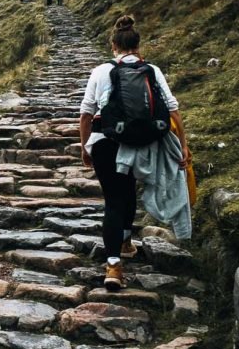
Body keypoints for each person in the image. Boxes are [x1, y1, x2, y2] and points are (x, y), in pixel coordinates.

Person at [78, 15, 192, 290]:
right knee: (128, 192)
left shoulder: (101, 71)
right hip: (142, 143)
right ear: (137, 44)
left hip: (106, 141)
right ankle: (126, 240)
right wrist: (184, 144)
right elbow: (172, 109)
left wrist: (85, 146)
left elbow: (86, 113)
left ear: (114, 44)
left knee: (114, 200)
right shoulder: (151, 70)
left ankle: (114, 265)